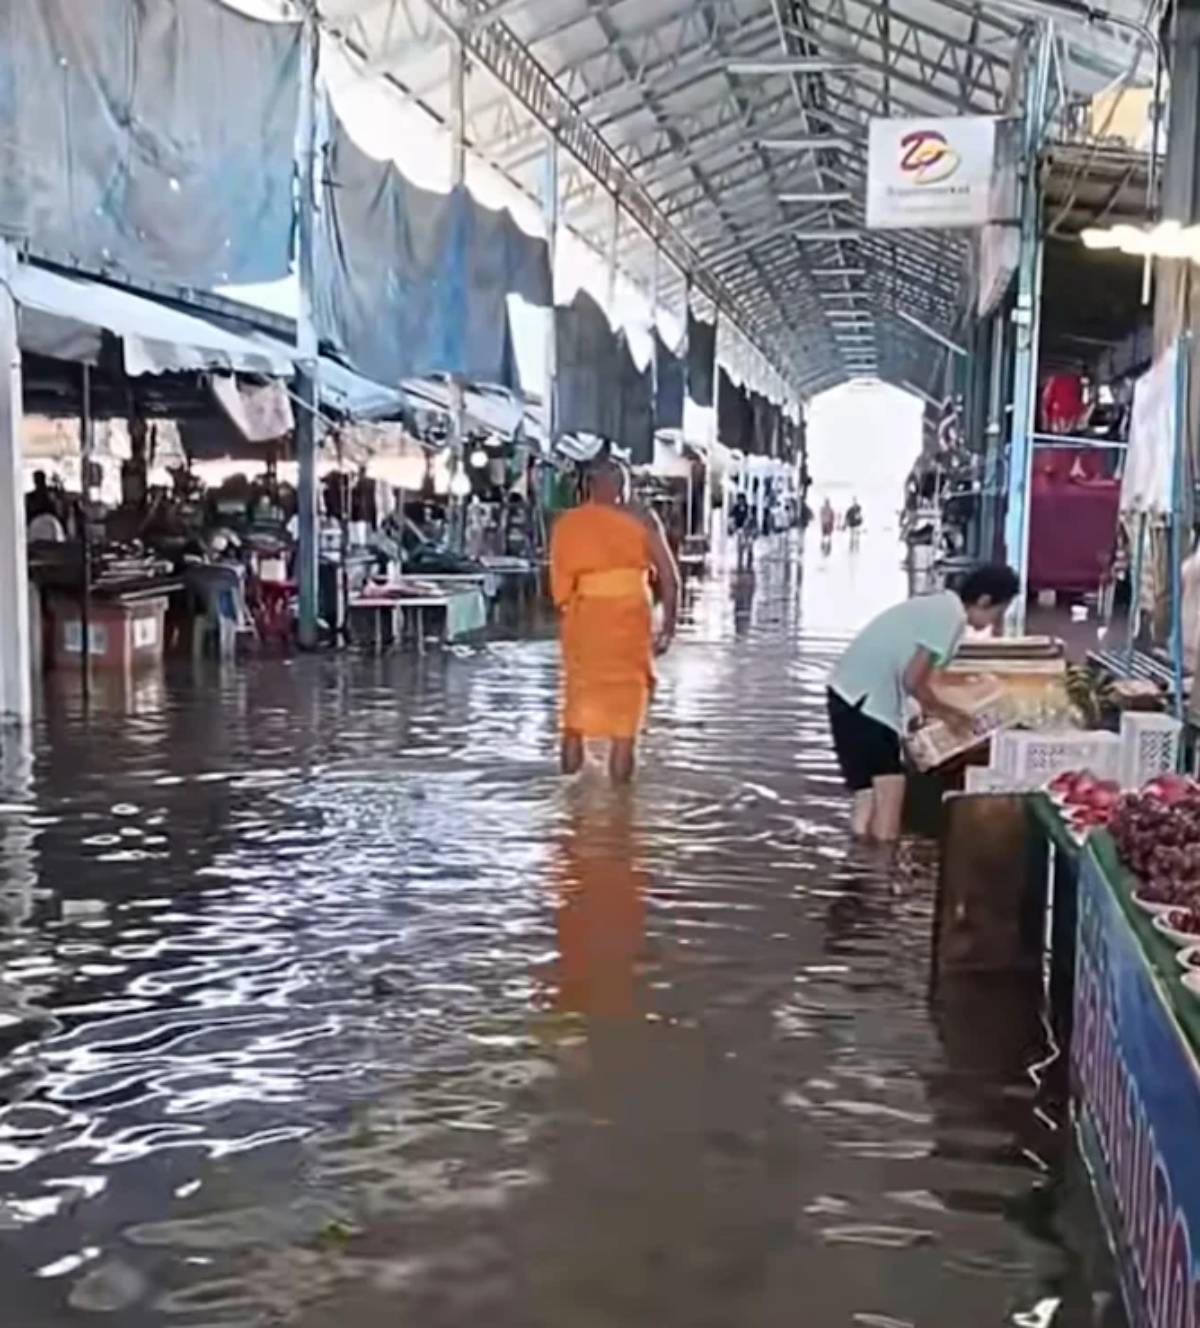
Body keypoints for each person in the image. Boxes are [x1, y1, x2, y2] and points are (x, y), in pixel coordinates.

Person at [826, 564, 1020, 842]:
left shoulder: (939, 608)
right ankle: (881, 874)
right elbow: (913, 681)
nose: (994, 624)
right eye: (997, 613)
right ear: (984, 601)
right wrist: (950, 715)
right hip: (867, 703)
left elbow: (930, 680)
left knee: (867, 797)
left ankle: (858, 871)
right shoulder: (949, 616)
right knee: (891, 795)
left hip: (845, 694)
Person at [550, 458, 679, 784]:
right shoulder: (642, 518)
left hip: (586, 625)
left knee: (576, 713)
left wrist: (574, 610)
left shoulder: (569, 524)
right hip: (629, 625)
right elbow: (669, 577)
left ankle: (568, 798)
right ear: (621, 486)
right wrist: (668, 629)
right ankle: (621, 805)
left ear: (590, 487)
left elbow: (560, 590)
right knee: (625, 721)